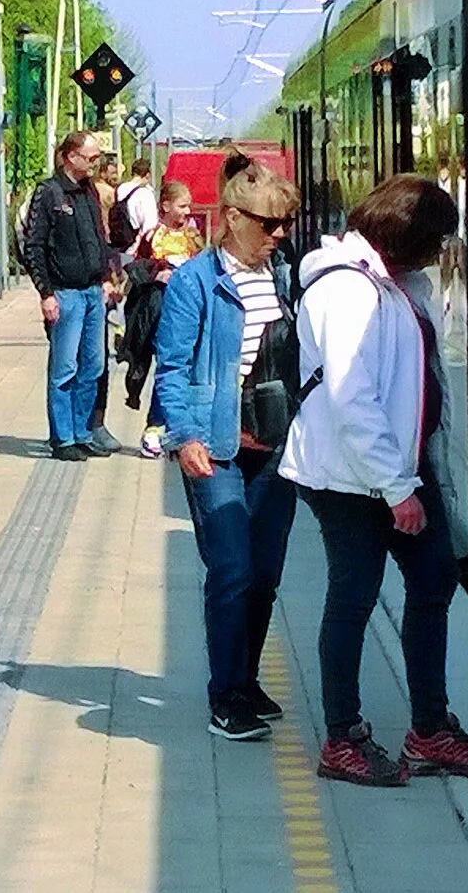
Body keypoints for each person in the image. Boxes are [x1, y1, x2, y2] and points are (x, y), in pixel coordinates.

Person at [280, 176, 468, 786]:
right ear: (404, 234)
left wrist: (415, 472)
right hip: (351, 478)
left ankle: (429, 731)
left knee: (435, 580)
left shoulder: (397, 283)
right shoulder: (347, 290)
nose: (440, 253)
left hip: (401, 467)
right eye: (434, 240)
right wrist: (396, 487)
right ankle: (342, 739)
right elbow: (353, 398)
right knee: (353, 595)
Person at [153, 161, 303, 741]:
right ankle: (224, 695)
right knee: (233, 568)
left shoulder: (285, 277)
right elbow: (173, 369)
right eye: (269, 224)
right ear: (234, 218)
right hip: (215, 447)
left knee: (264, 574)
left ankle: (245, 679)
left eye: (284, 223)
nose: (279, 234)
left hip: (275, 449)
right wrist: (184, 436)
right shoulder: (196, 282)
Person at [23, 131, 111, 461]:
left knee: (93, 366)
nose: (95, 163)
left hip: (92, 293)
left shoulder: (88, 191)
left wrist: (105, 276)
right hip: (66, 293)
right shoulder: (50, 192)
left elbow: (97, 238)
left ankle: (81, 431)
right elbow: (34, 245)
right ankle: (62, 438)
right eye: (90, 158)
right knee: (65, 368)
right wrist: (46, 293)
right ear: (70, 157)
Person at [123, 180, 204, 457]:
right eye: (182, 206)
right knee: (167, 367)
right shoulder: (152, 236)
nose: (187, 211)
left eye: (189, 206)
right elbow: (135, 268)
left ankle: (172, 425)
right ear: (166, 206)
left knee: (184, 368)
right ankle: (154, 427)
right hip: (159, 311)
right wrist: (156, 274)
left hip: (188, 312)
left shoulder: (194, 236)